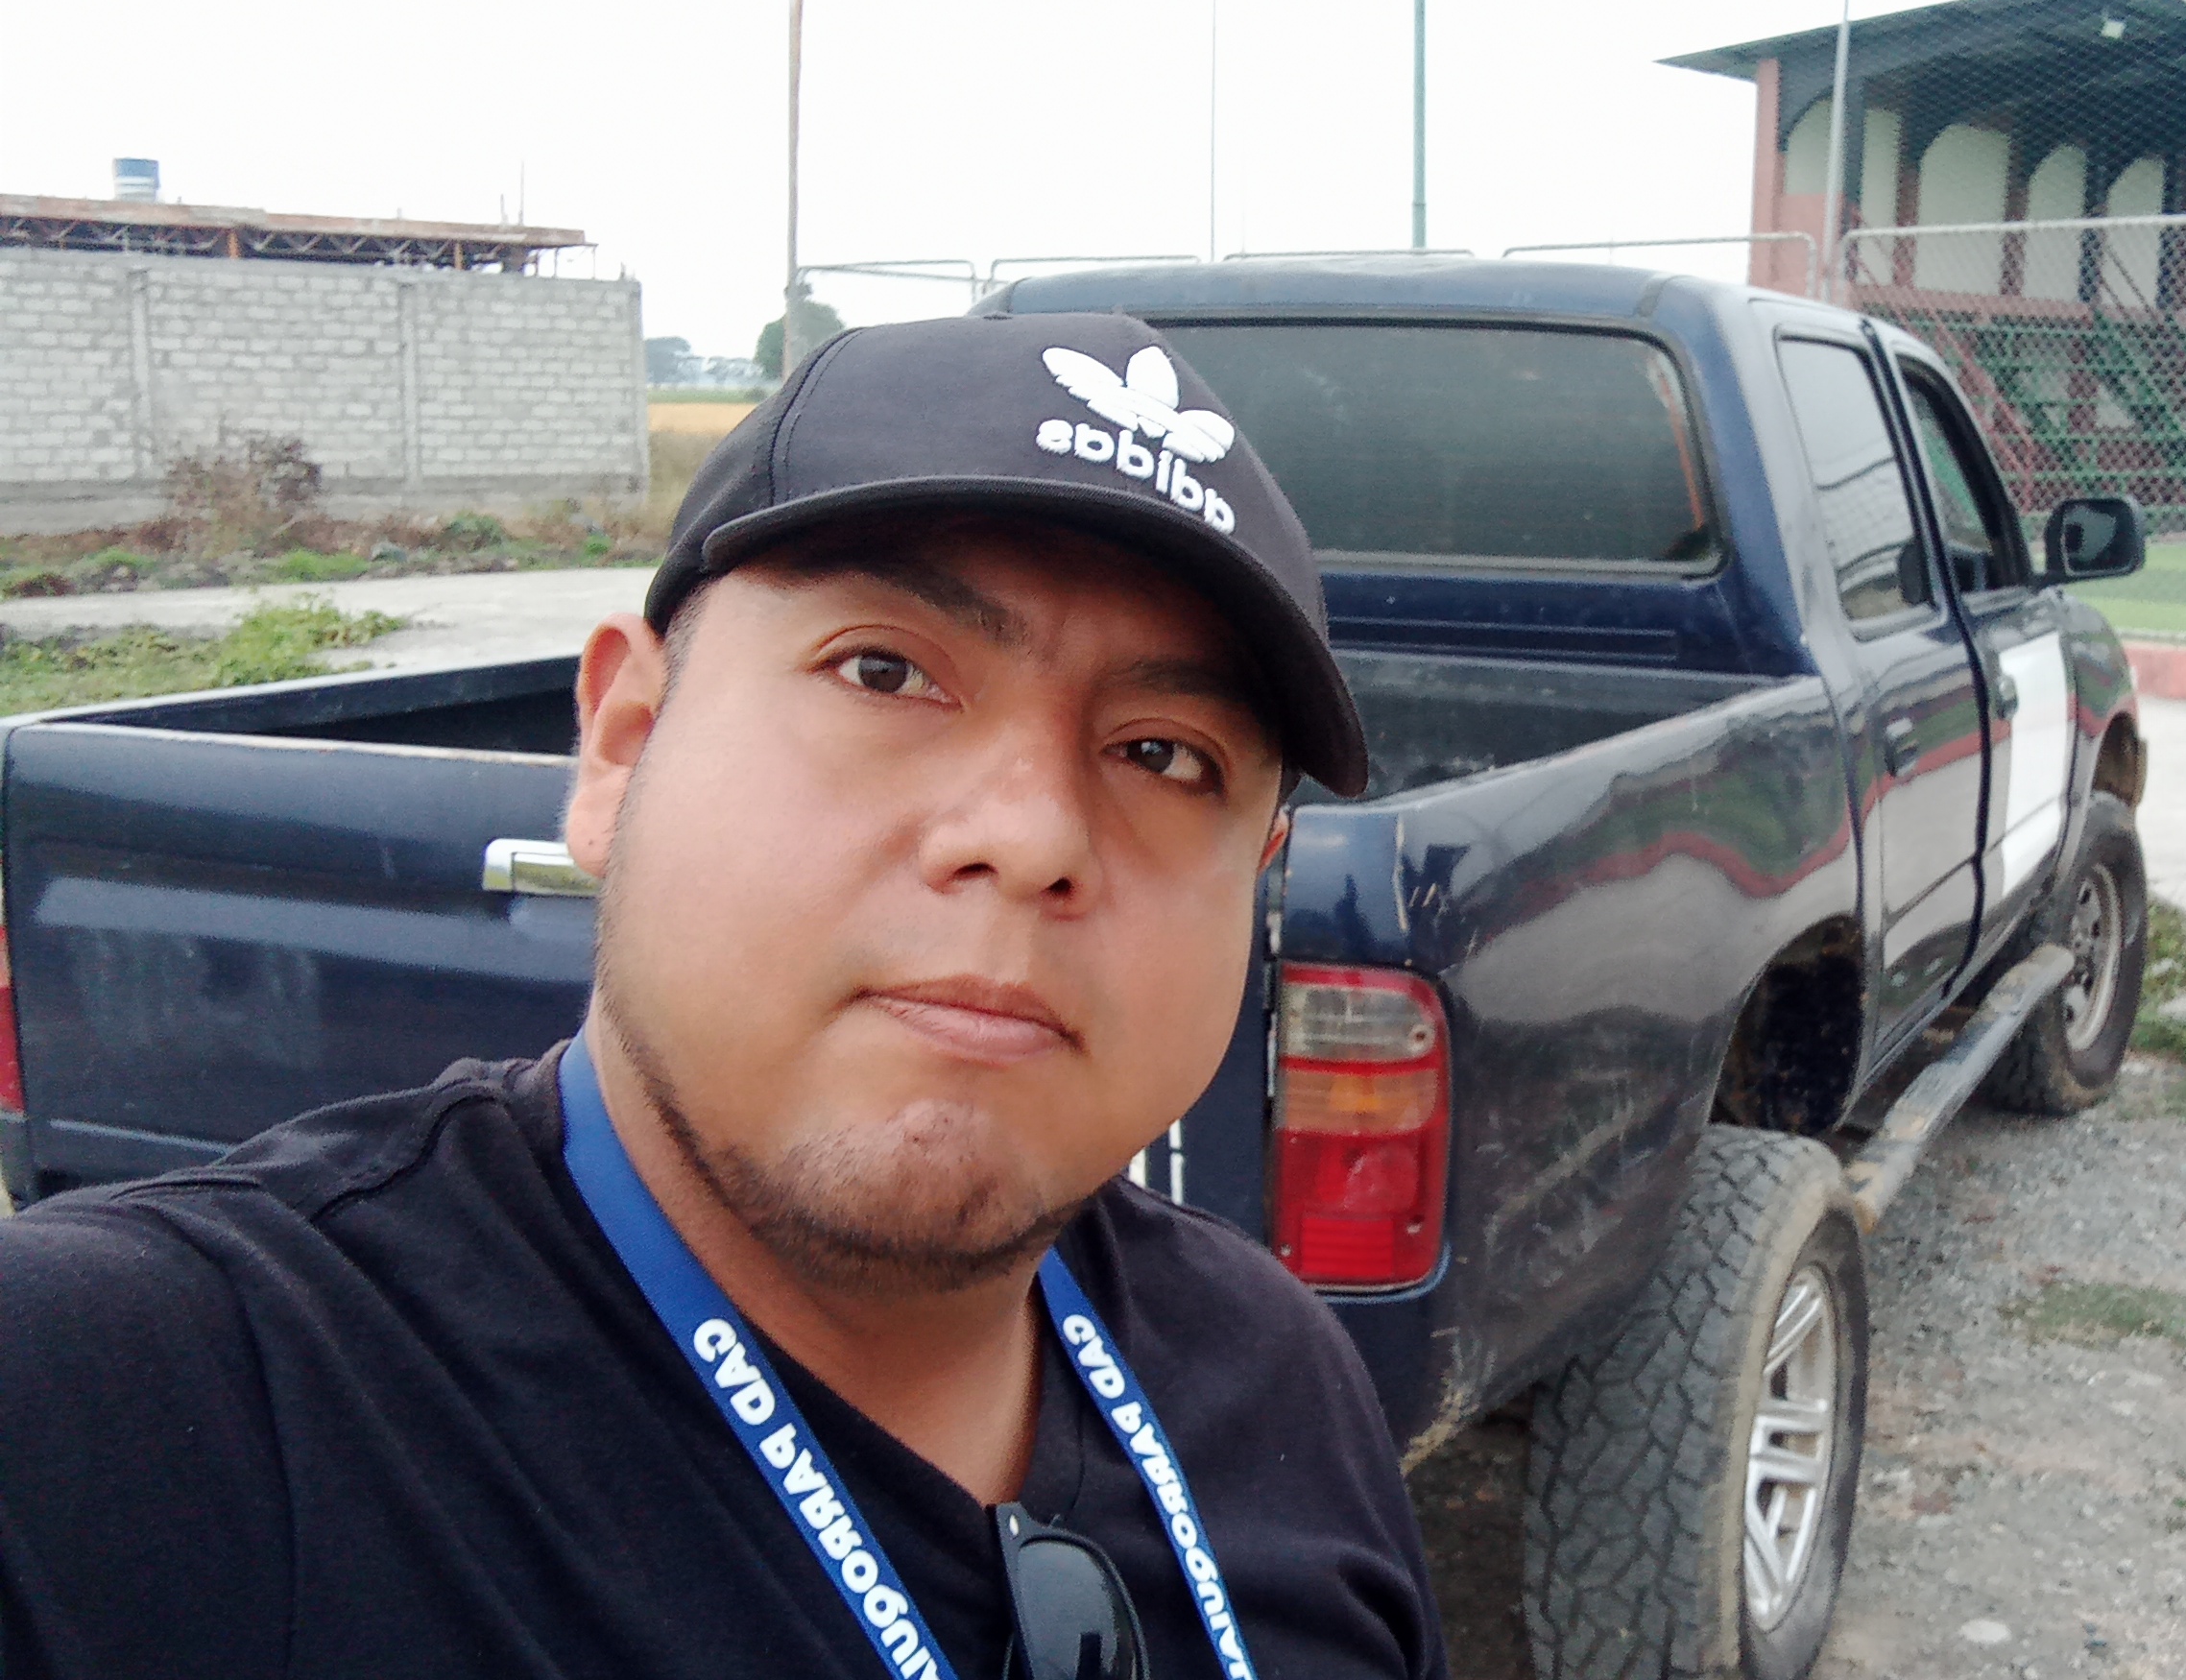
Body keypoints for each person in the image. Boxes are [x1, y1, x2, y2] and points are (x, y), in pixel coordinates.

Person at [0, 313, 1448, 1680]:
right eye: (884, 671)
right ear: (624, 744)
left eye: (1165, 755)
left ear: (1258, 878)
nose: (1031, 835)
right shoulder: (136, 1417)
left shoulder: (1278, 1382)